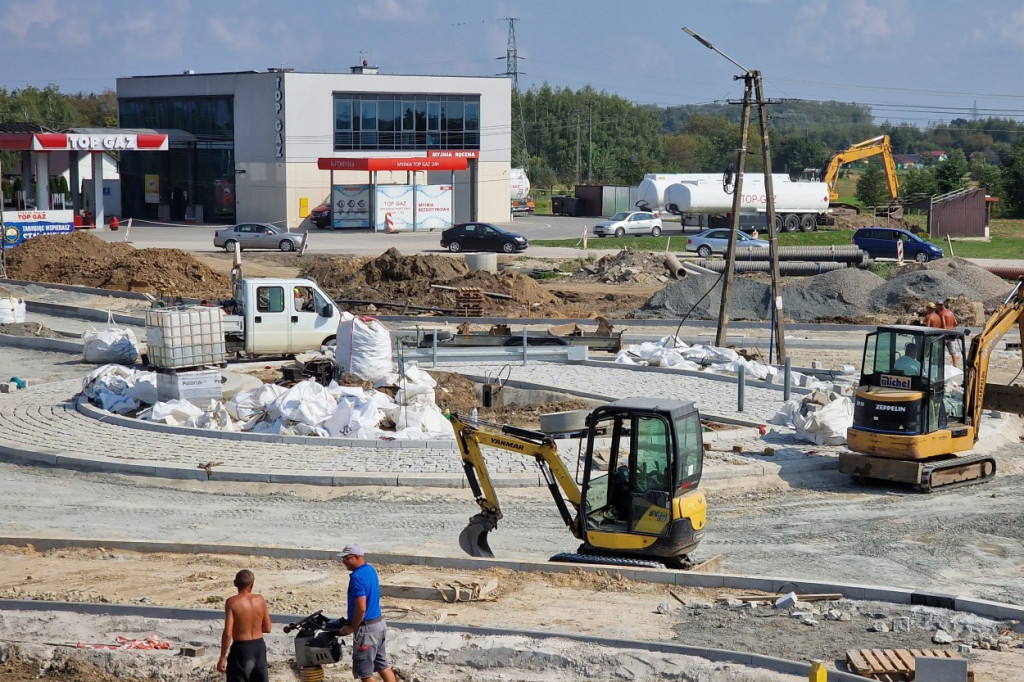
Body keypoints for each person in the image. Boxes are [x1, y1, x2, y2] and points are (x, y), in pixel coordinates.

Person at [338, 543, 396, 682]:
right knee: (383, 665)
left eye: (347, 558)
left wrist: (352, 627)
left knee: (365, 674)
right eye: (343, 559)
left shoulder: (357, 578)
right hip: (379, 625)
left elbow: (361, 608)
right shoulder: (370, 569)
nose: (344, 562)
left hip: (367, 630)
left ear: (358, 557)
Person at [218, 569, 271, 682]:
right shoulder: (260, 600)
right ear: (252, 584)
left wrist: (223, 657)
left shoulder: (232, 602)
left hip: (241, 650)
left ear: (235, 583)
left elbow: (228, 633)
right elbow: (267, 628)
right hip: (259, 647)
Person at [936, 300, 959, 367]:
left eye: (937, 306)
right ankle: (955, 366)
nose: (936, 307)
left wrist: (944, 335)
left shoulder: (941, 313)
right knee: (953, 352)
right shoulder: (950, 312)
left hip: (945, 334)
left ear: (939, 305)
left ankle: (940, 366)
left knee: (940, 351)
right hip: (952, 334)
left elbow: (944, 325)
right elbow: (955, 323)